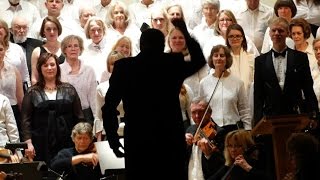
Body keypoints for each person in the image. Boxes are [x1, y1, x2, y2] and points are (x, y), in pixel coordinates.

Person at [102, 19, 206, 179]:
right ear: (162, 44)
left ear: (141, 45)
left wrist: (113, 139)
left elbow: (109, 107)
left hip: (138, 138)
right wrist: (185, 32)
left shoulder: (124, 67)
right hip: (170, 138)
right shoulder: (172, 62)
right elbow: (199, 60)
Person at [254, 17, 320, 180]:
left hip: (295, 116)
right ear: (269, 33)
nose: (277, 33)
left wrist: (313, 114)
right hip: (271, 119)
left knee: (299, 160)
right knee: (273, 162)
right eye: (274, 30)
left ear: (287, 34)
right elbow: (258, 94)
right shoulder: (260, 61)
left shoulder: (300, 58)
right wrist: (256, 122)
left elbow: (308, 89)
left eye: (281, 30)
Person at [21, 52, 84, 165]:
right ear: (40, 69)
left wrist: (81, 140)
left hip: (67, 140)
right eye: (45, 65)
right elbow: (26, 121)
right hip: (41, 142)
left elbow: (79, 117)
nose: (49, 68)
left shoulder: (69, 89)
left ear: (57, 67)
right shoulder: (32, 92)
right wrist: (28, 144)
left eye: (52, 64)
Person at [199, 44, 252, 134]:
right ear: (212, 59)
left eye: (222, 55)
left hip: (233, 128)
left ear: (227, 59)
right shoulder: (204, 83)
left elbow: (244, 109)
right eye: (216, 55)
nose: (219, 58)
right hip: (212, 129)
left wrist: (248, 130)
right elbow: (201, 110)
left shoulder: (238, 82)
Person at [60, 35, 97, 125]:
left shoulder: (89, 70)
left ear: (80, 49)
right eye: (69, 46)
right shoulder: (58, 70)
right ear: (64, 50)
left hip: (86, 115)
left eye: (76, 46)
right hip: (66, 116)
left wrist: (97, 120)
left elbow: (93, 97)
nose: (73, 49)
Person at [185, 96, 225, 179]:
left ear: (209, 113)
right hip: (190, 174)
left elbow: (223, 164)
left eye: (201, 112)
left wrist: (209, 154)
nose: (197, 116)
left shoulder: (219, 132)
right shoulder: (190, 129)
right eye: (193, 112)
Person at [31, 16, 65, 85]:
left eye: (54, 29)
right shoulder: (37, 52)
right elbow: (34, 78)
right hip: (43, 91)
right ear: (43, 32)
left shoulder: (65, 48)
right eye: (48, 29)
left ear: (59, 30)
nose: (52, 32)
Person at [0, 40, 24, 140]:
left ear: (5, 50)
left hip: (13, 112)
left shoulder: (14, 70)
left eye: (0, 49)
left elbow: (20, 98)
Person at [10, 16, 44, 80]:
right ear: (11, 30)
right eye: (18, 27)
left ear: (28, 29)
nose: (22, 30)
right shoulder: (5, 45)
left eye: (24, 27)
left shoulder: (38, 45)